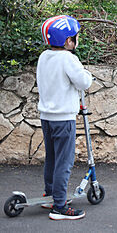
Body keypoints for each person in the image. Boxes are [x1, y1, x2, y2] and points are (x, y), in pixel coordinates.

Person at [37, 15, 93, 220]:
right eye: (75, 36)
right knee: (65, 161)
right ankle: (59, 207)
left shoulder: (44, 57)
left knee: (52, 158)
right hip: (63, 118)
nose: (77, 39)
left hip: (47, 117)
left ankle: (51, 194)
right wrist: (87, 73)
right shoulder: (68, 59)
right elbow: (84, 82)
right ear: (68, 41)